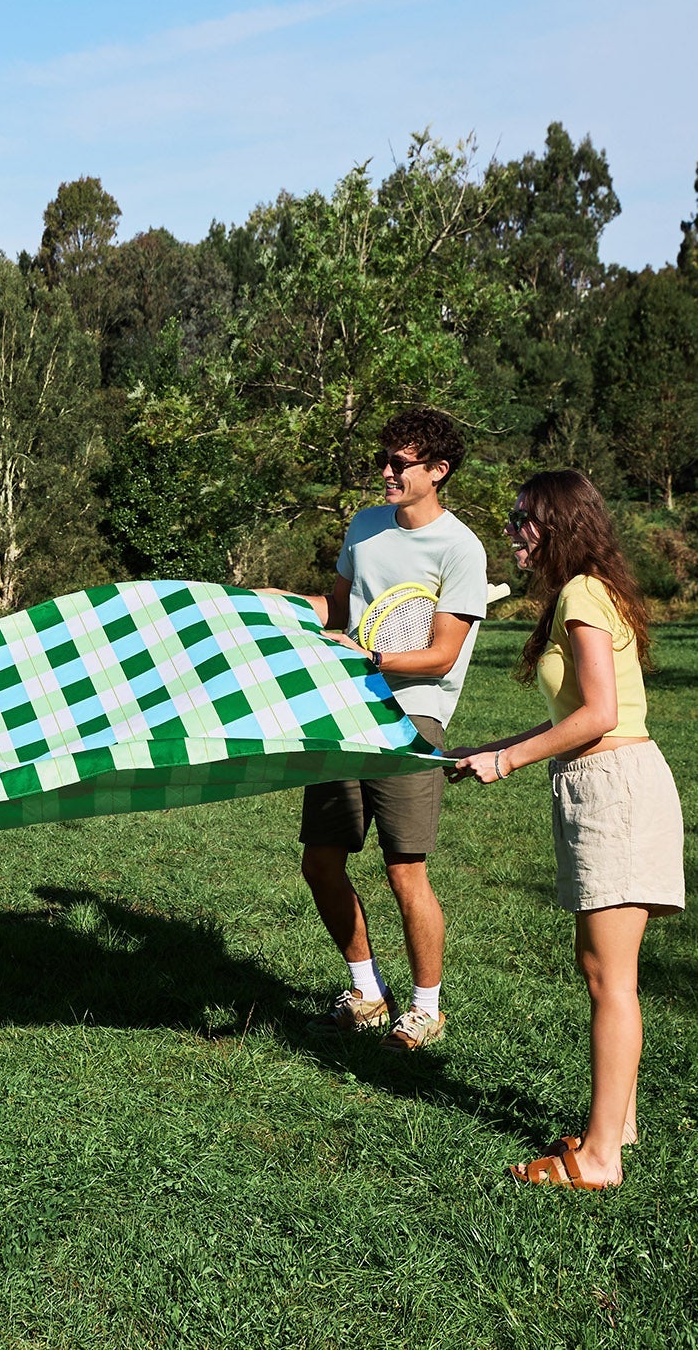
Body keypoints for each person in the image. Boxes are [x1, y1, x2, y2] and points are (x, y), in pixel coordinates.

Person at [451, 472, 683, 1189]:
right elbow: (572, 714)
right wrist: (492, 750)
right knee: (602, 970)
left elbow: (601, 715)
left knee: (611, 979)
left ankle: (600, 1159)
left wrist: (508, 761)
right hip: (604, 786)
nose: (513, 530)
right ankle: (619, 1126)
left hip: (615, 791)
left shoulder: (582, 593)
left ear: (561, 525)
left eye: (525, 518)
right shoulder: (583, 591)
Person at [281, 408, 487, 1051]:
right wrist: (271, 605)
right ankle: (367, 991)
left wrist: (370, 657)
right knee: (320, 861)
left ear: (438, 471)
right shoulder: (365, 526)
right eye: (384, 460)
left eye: (401, 463)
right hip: (346, 709)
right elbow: (337, 607)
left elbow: (442, 655)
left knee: (405, 871)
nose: (387, 472)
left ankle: (426, 1008)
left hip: (412, 715)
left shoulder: (461, 548)